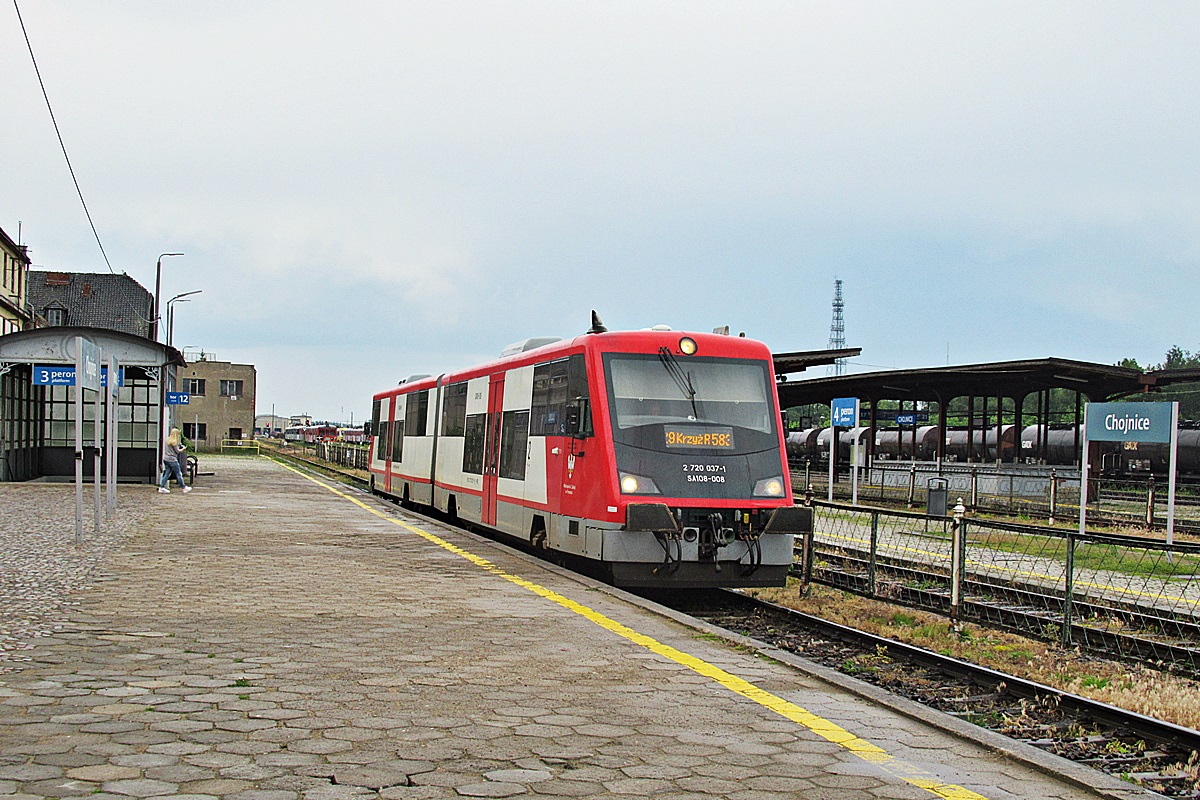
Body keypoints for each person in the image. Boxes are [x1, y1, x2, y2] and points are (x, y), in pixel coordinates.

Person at [158, 428, 191, 494]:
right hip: (172, 460)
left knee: (167, 473)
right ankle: (183, 487)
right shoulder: (174, 442)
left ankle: (161, 487)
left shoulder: (167, 440)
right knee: (178, 473)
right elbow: (177, 451)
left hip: (166, 459)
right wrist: (183, 449)